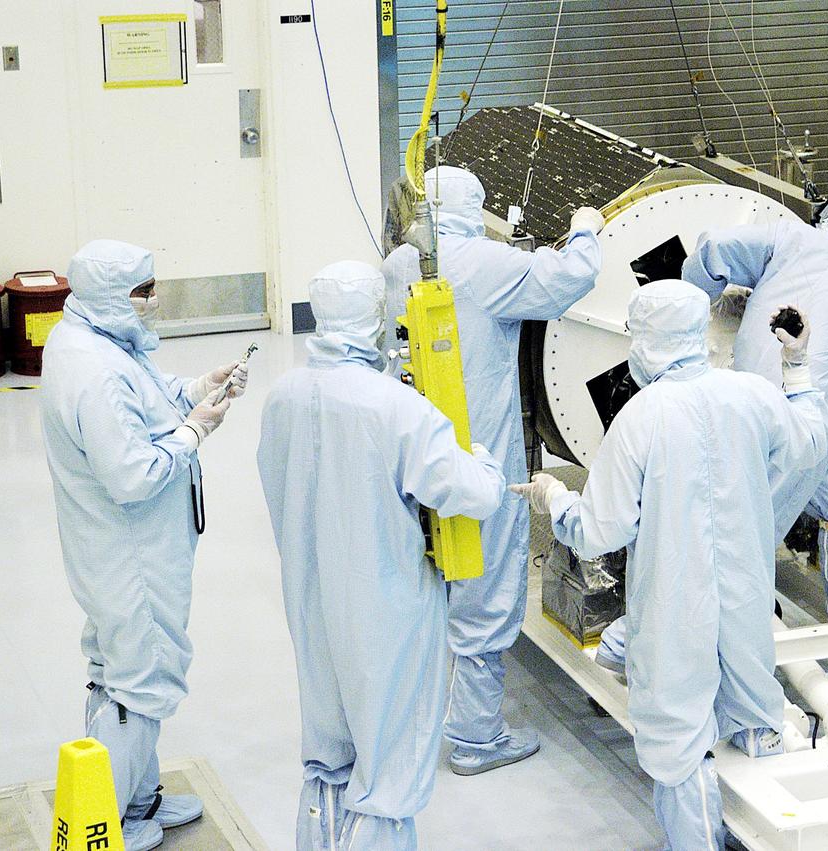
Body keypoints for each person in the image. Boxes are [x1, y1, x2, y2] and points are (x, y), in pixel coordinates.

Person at [512, 280, 828, 850]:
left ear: (647, 341)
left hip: (673, 604)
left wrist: (553, 499)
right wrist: (797, 363)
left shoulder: (641, 418)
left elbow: (598, 530)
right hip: (745, 594)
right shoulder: (750, 395)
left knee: (676, 738)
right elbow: (811, 445)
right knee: (753, 704)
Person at [257, 261, 506, 850]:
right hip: (386, 609)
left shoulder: (282, 395)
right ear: (374, 319)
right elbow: (474, 492)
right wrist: (487, 459)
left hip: (311, 597)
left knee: (328, 751)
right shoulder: (395, 408)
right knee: (389, 764)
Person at [382, 166, 603, 775]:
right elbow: (568, 280)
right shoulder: (485, 264)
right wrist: (586, 230)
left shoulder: (403, 262)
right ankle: (478, 736)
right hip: (476, 449)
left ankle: (419, 714)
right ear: (476, 207)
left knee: (431, 570)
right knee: (483, 577)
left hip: (413, 443)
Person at [40, 239, 247, 851]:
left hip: (114, 548)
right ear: (111, 295)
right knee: (143, 677)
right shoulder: (96, 370)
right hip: (132, 554)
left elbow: (143, 398)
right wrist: (194, 432)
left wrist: (198, 388)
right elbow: (132, 477)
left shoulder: (90, 337)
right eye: (143, 291)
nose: (154, 301)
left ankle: (134, 795)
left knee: (117, 668)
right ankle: (109, 821)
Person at [681, 188, 828, 622]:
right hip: (801, 423)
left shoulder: (790, 237)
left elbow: (713, 248)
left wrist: (688, 309)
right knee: (750, 532)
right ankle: (721, 629)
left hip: (738, 400)